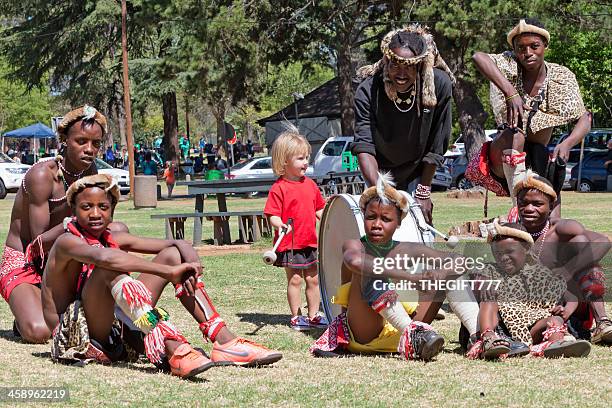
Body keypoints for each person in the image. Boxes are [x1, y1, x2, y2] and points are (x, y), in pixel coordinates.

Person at [42, 174, 283, 370]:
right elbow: (105, 258)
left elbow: (176, 245)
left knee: (172, 256)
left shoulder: (112, 236)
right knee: (110, 268)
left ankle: (224, 340)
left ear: (112, 210)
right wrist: (168, 272)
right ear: (73, 209)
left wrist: (191, 263)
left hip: (117, 328)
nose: (95, 213)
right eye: (86, 207)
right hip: (79, 335)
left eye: (102, 207)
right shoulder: (67, 242)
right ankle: (173, 346)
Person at [310, 173, 479, 360]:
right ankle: (413, 334)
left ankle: (478, 336)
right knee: (369, 267)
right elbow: (355, 262)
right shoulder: (355, 245)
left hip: (400, 333)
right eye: (371, 217)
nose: (376, 225)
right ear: (363, 217)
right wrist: (413, 278)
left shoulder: (407, 248)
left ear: (398, 222)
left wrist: (440, 273)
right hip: (364, 333)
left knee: (450, 272)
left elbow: (460, 260)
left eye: (386, 219)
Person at [0, 105, 110, 343]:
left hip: (62, 258)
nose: (89, 150)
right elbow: (38, 246)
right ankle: (24, 316)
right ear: (64, 140)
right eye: (81, 141)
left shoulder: (89, 172)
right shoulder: (42, 176)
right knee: (40, 331)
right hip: (26, 261)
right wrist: (77, 223)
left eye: (96, 144)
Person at [467, 18, 591, 216]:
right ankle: (517, 207)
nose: (528, 53)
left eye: (534, 46)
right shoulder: (510, 65)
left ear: (545, 46)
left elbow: (585, 118)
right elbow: (478, 56)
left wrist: (567, 143)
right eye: (521, 48)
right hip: (506, 153)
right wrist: (510, 92)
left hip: (539, 154)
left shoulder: (561, 75)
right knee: (517, 135)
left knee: (552, 217)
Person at [351, 24, 454, 224]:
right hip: (380, 172)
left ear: (420, 66)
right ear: (386, 60)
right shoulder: (368, 90)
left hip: (418, 170)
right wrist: (380, 191)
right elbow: (364, 145)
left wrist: (424, 192)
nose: (400, 73)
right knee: (381, 226)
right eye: (395, 64)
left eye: (409, 66)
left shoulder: (439, 85)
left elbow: (437, 142)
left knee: (418, 226)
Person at [514, 170, 612, 344]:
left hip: (570, 301)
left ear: (551, 206)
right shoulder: (512, 232)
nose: (529, 209)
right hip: (531, 305)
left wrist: (565, 272)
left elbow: (603, 242)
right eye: (523, 203)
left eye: (537, 204)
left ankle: (602, 323)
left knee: (589, 261)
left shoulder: (560, 229)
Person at [467, 221, 590, 359]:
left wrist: (566, 311)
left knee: (555, 320)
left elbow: (572, 297)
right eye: (497, 253)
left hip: (533, 328)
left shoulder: (540, 273)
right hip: (501, 330)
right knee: (489, 299)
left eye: (509, 252)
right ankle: (488, 340)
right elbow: (472, 275)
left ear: (525, 249)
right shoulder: (490, 271)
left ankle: (557, 344)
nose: (503, 258)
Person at [264, 128, 328, 330]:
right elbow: (272, 214)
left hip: (310, 241)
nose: (306, 162)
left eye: (307, 157)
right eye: (300, 158)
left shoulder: (310, 185)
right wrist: (278, 224)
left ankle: (314, 315)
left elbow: (319, 209)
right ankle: (296, 316)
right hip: (290, 244)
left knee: (314, 279)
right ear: (284, 161)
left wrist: (331, 221)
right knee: (295, 279)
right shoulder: (279, 188)